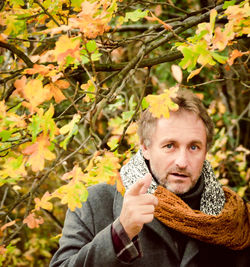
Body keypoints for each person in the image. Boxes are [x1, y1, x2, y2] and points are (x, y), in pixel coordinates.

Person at [50, 89, 250, 267]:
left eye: (194, 147)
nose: (182, 161)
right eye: (169, 145)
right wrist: (119, 234)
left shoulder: (234, 217)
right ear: (145, 147)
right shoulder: (94, 203)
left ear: (206, 151)